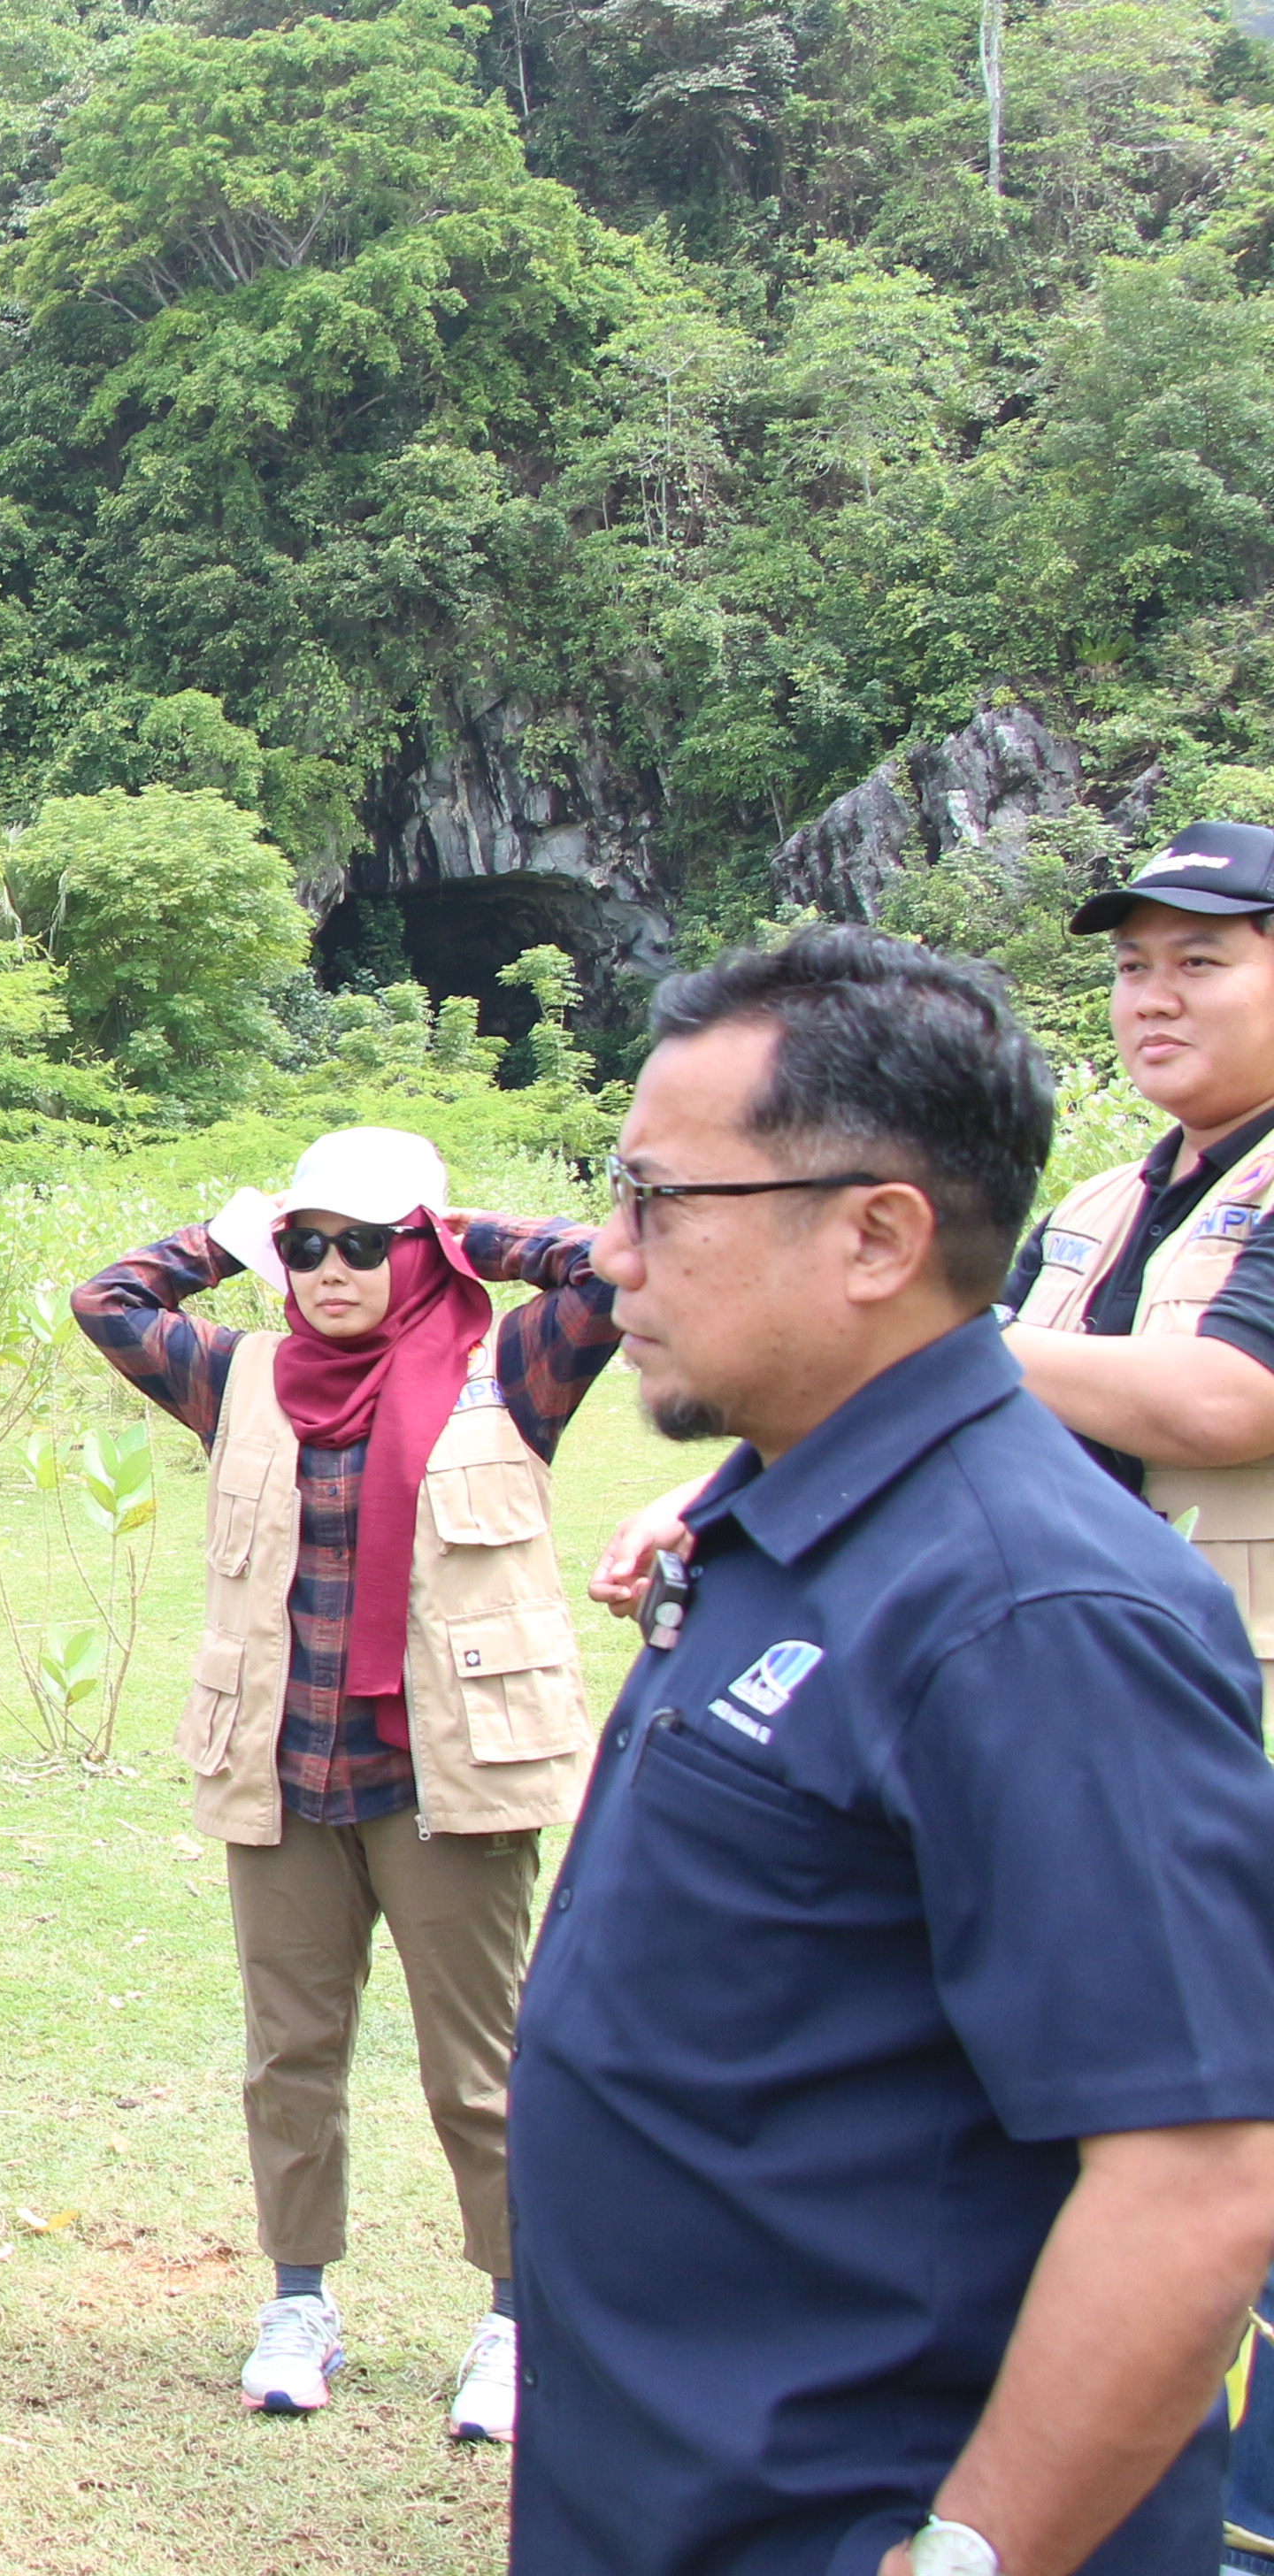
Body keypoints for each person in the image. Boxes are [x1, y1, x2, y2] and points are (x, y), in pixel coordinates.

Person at [513, 923, 1274, 2576]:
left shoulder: (1032, 1608)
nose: (609, 1258)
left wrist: (968, 2557)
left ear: (878, 1236)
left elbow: (1197, 2182)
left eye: (660, 1201)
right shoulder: (789, 1514)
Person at [71, 1124, 618, 2439]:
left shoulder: (511, 1368)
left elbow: (614, 1271)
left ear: (417, 1250)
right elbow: (109, 1301)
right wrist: (235, 1231)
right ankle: (299, 2300)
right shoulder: (242, 1376)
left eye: (363, 1244)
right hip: (285, 1766)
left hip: (444, 1778)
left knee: (478, 2069)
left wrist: (467, 1229)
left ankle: (512, 2318)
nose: (327, 1269)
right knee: (291, 2057)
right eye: (306, 1246)